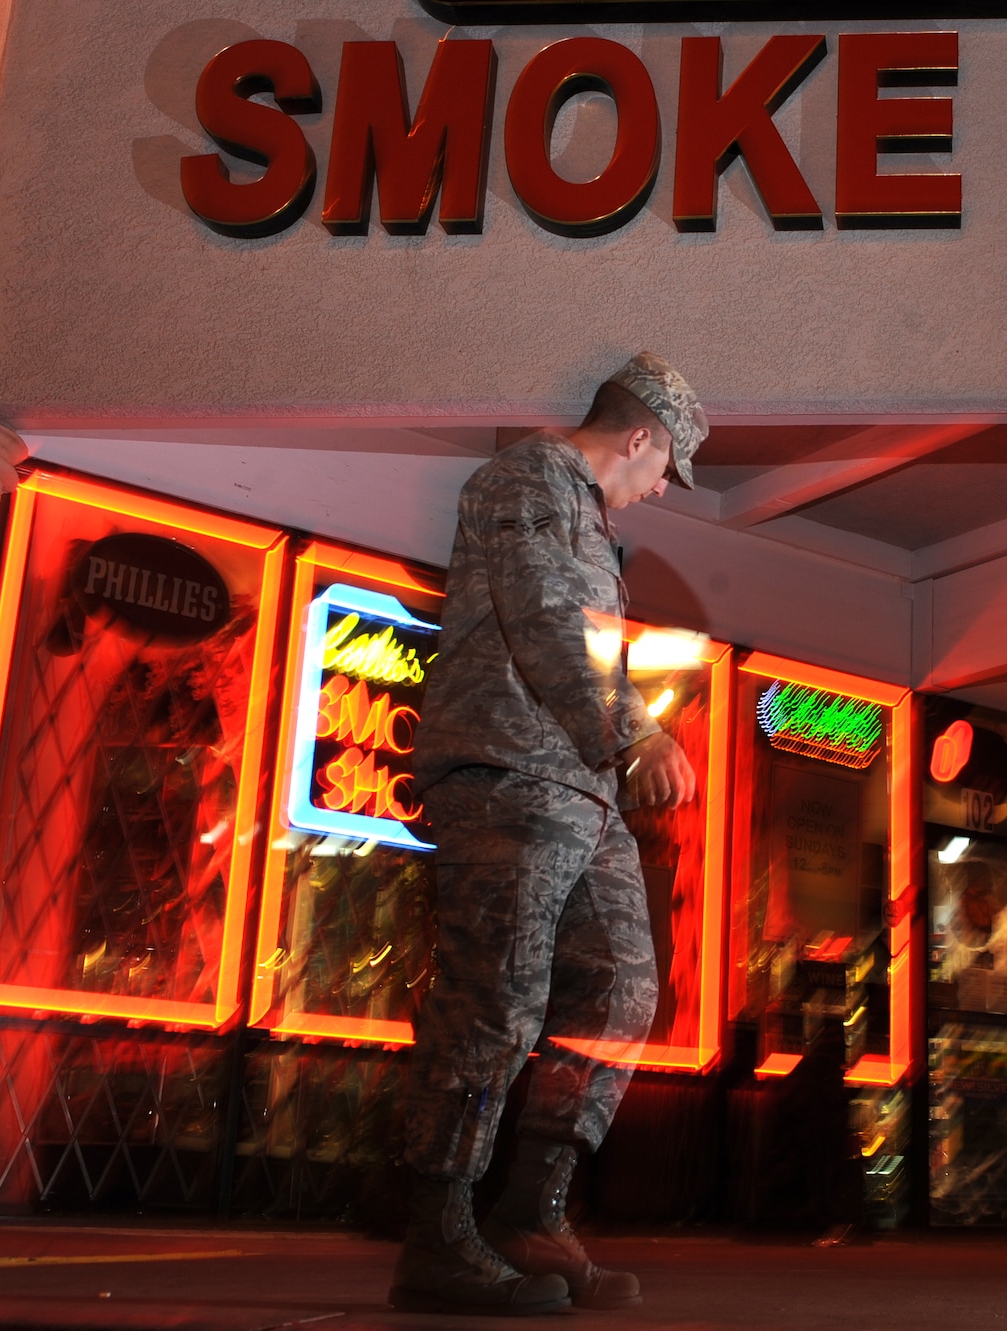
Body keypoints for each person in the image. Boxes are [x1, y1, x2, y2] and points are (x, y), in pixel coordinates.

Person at [390, 352, 706, 1316]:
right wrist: (635, 729)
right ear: (641, 435)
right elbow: (542, 617)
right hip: (507, 774)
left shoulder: (594, 522)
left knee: (622, 986)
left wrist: (618, 743)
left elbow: (584, 640)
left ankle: (535, 1212)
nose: (660, 489)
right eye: (666, 469)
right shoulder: (526, 480)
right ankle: (436, 1233)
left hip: (582, 786)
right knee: (496, 997)